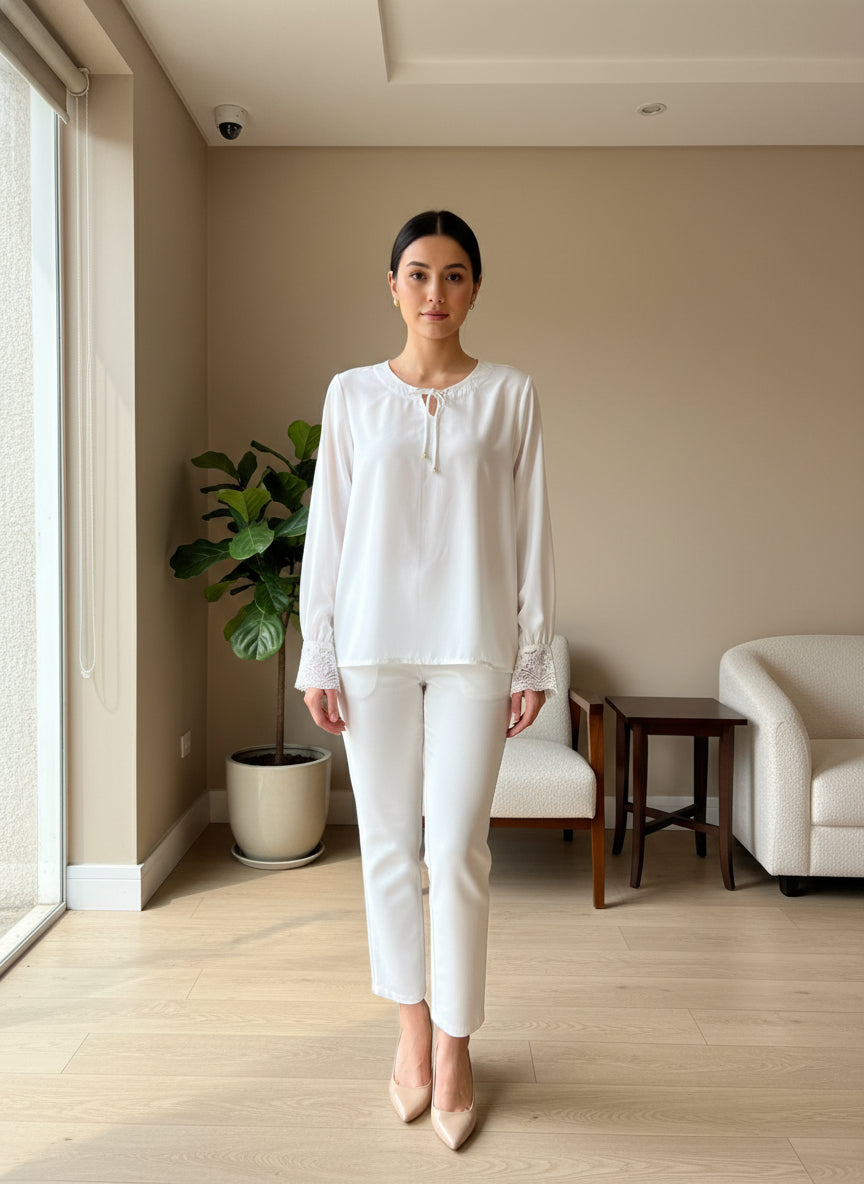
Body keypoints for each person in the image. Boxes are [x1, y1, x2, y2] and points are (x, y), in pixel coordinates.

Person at [296, 209, 557, 1150]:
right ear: (393, 286)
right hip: (372, 646)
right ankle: (411, 1032)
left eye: (453, 275)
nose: (434, 292)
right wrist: (319, 651)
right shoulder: (352, 395)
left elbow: (532, 530)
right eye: (418, 274)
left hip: (474, 646)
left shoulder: (511, 395)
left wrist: (533, 652)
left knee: (456, 851)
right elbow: (328, 528)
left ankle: (456, 1046)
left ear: (474, 288)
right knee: (385, 846)